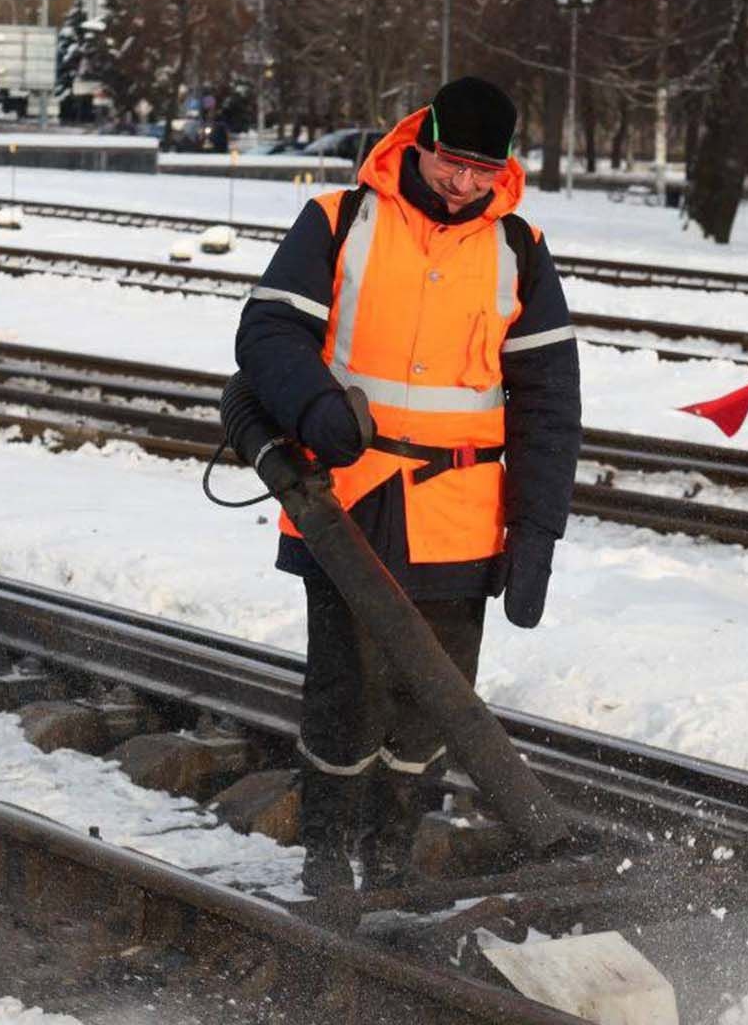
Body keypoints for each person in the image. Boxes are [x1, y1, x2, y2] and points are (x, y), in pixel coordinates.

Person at [235, 76, 582, 895]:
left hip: (463, 517)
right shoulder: (340, 220)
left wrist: (538, 528)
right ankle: (326, 854)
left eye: (483, 171)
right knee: (346, 692)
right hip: (349, 501)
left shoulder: (520, 251)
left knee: (434, 702)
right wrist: (315, 406)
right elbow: (269, 331)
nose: (465, 184)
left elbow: (548, 402)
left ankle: (389, 858)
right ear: (419, 141)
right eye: (453, 163)